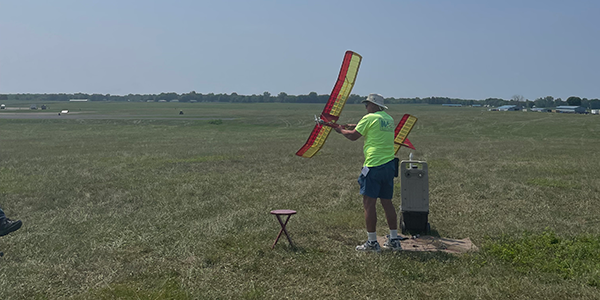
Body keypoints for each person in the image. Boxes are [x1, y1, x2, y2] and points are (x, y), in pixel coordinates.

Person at [333, 93, 402, 252]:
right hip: (389, 165)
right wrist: (354, 124)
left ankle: (372, 242)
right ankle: (394, 239)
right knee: (387, 202)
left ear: (374, 106)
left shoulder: (369, 118)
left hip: (374, 165)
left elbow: (353, 137)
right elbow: (371, 127)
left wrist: (340, 130)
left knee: (369, 204)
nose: (366, 107)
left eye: (367, 104)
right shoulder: (388, 119)